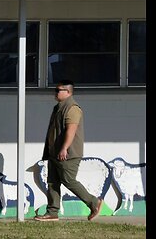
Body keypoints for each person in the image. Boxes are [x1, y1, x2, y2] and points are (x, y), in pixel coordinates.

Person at [34, 79, 103, 222]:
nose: (55, 93)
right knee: (52, 182)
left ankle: (94, 203)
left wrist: (64, 148)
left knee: (68, 180)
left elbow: (71, 129)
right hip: (55, 152)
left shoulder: (72, 108)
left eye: (58, 90)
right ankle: (52, 212)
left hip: (67, 153)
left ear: (68, 92)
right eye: (55, 90)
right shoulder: (58, 107)